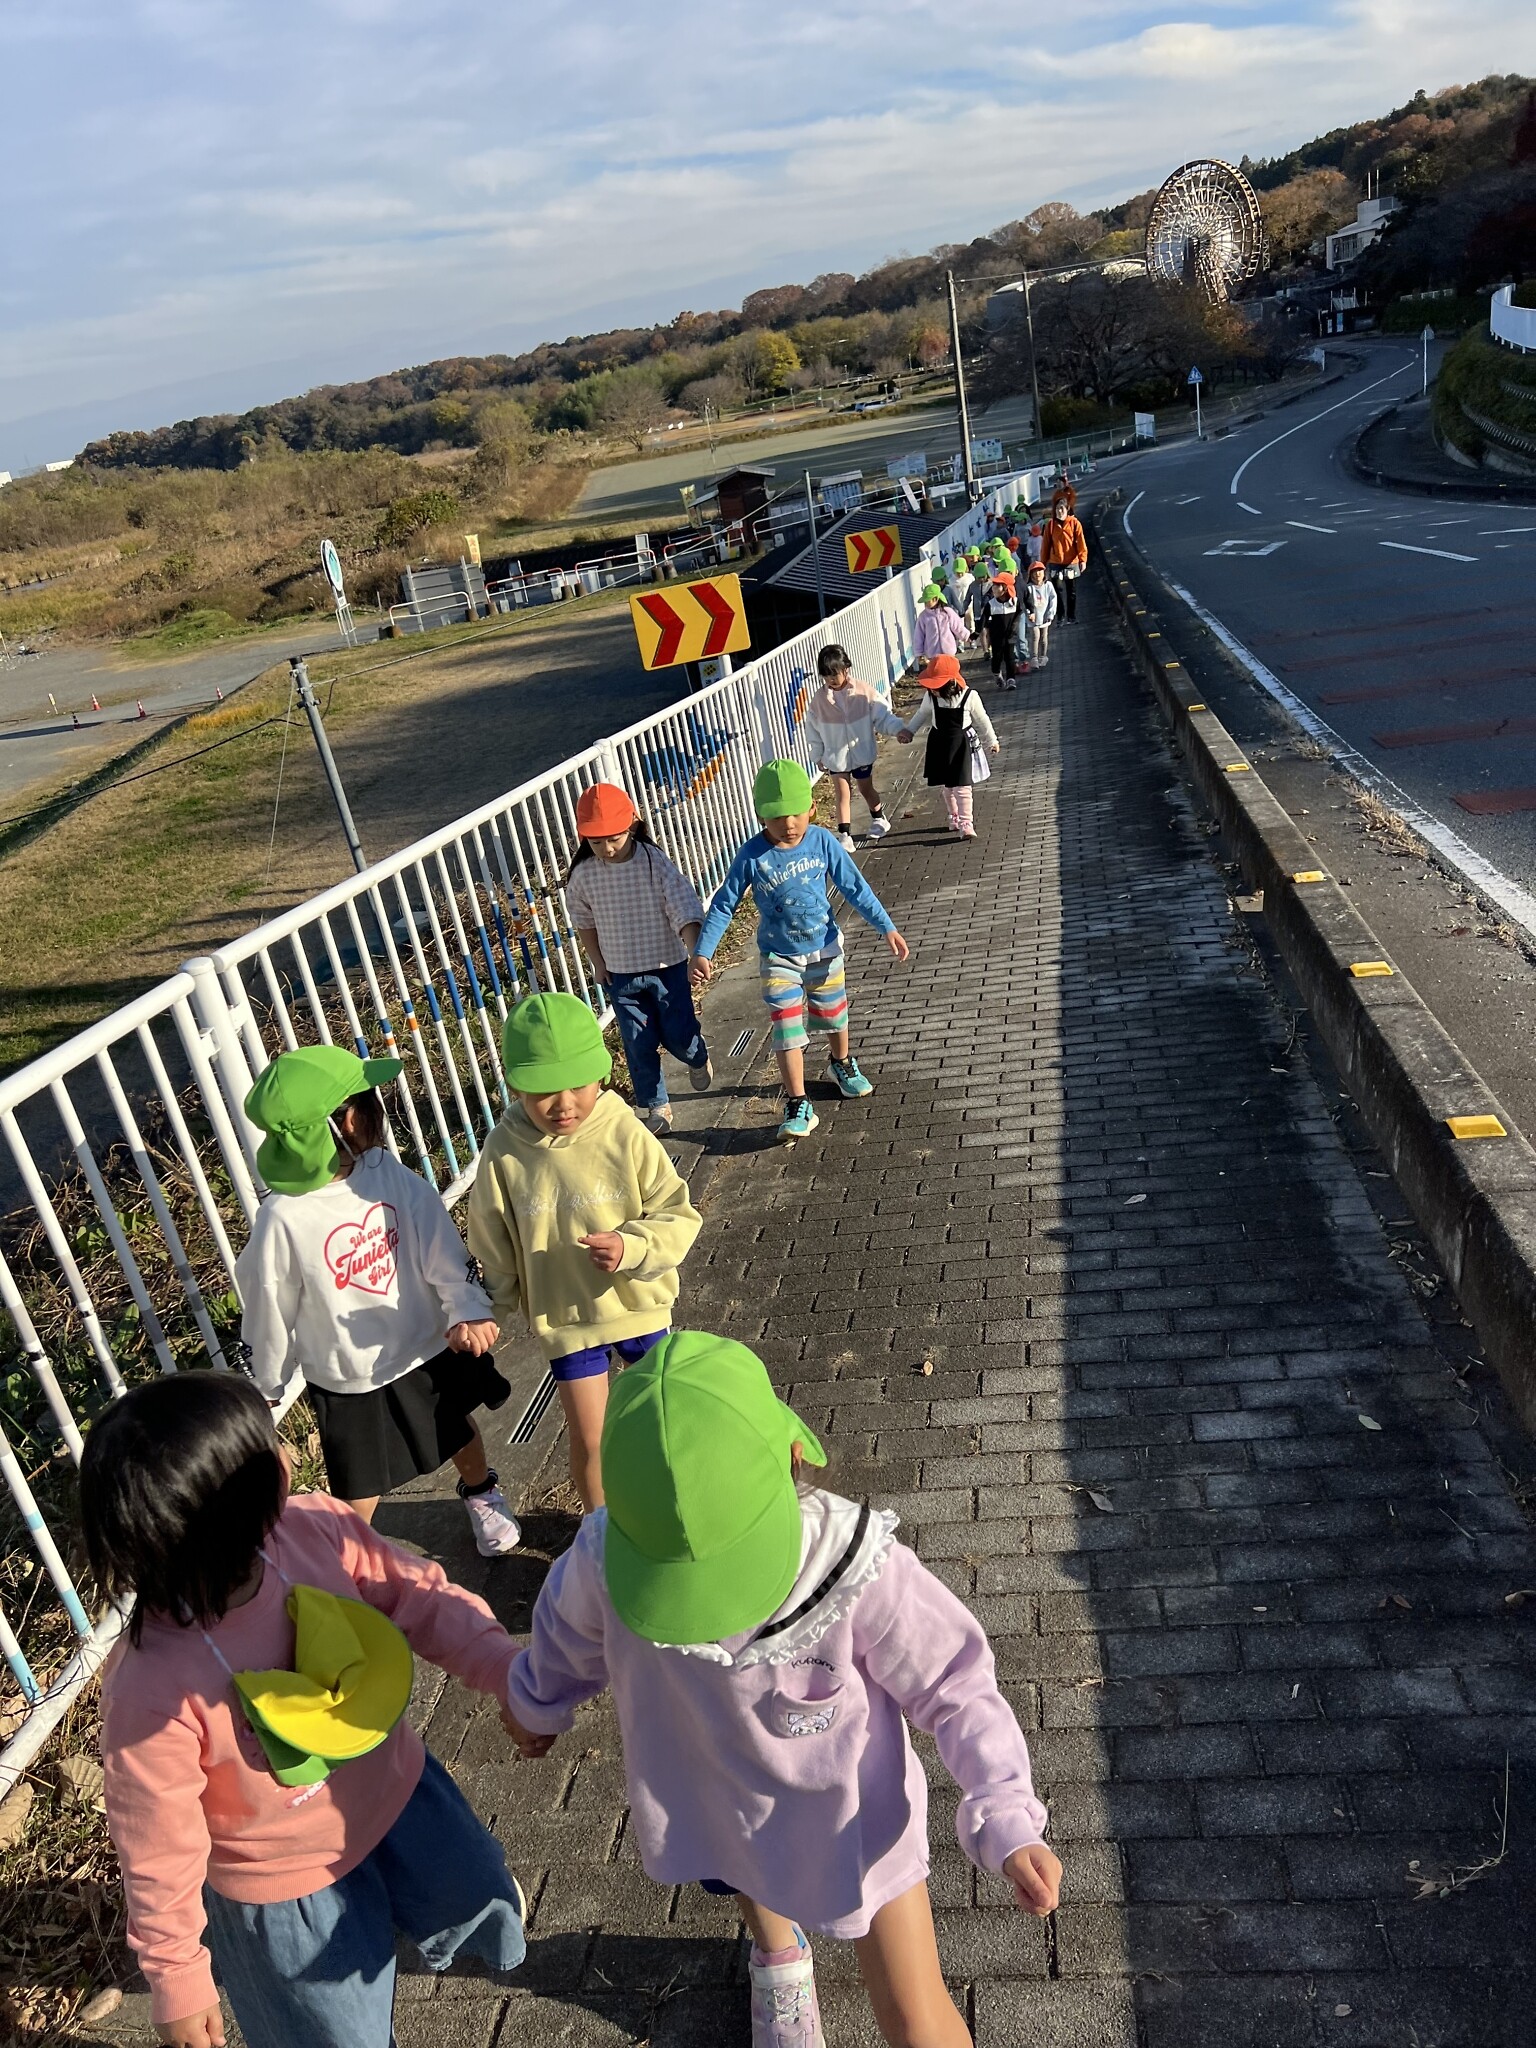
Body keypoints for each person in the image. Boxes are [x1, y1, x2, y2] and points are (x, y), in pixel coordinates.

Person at [500, 1332, 1062, 2048]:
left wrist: (1004, 1809)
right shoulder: (603, 1557)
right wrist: (537, 1701)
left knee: (917, 2014)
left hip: (855, 1826)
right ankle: (780, 1955)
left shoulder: (851, 1565)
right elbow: (563, 1636)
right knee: (746, 1876)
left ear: (797, 1458)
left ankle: (783, 1948)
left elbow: (955, 1681)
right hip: (722, 1803)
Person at [86, 1372, 528, 2048]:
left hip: (399, 1794)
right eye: (270, 1450)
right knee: (333, 2034)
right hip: (283, 1887)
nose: (289, 1453)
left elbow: (420, 1596)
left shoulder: (314, 1529)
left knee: (474, 1889)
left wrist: (505, 1671)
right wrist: (176, 1972)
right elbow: (156, 1843)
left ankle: (460, 1916)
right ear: (234, 1508)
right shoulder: (152, 1688)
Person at [236, 1046, 520, 1557]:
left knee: (455, 1428)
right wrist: (268, 1382)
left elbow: (436, 1239)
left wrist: (464, 1307)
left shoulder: (384, 1170)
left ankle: (481, 1491)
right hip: (349, 1371)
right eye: (370, 1098)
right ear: (345, 1121)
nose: (380, 1107)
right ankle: (353, 1553)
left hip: (424, 1341)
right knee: (359, 1478)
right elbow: (269, 1304)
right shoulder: (283, 1217)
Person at [467, 990, 701, 1512]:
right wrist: (488, 1310)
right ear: (514, 1085)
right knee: (591, 1440)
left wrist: (633, 1246)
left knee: (662, 1424)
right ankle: (600, 1533)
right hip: (567, 1319)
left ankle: (672, 1514)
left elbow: (678, 1213)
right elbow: (492, 1242)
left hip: (639, 1307)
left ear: (601, 1073)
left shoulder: (622, 1129)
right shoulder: (504, 1150)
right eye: (542, 1090)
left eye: (577, 1083)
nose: (564, 1103)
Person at [690, 759, 909, 1145]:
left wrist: (886, 926)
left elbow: (854, 886)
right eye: (776, 817)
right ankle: (797, 1102)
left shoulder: (822, 841)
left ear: (811, 807)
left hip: (824, 949)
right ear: (760, 815)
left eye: (795, 813)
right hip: (779, 958)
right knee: (787, 1027)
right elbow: (724, 903)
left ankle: (841, 1062)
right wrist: (703, 951)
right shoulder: (752, 855)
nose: (788, 824)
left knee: (834, 1015)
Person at [564, 782, 711, 1138]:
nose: (607, 848)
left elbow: (682, 905)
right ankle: (656, 1104)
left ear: (632, 823)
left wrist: (696, 951)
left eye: (614, 838)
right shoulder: (584, 875)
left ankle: (697, 1056)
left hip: (667, 967)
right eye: (596, 842)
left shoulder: (652, 861)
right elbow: (584, 922)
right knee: (637, 1043)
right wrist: (598, 963)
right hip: (621, 975)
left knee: (679, 1034)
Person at [804, 643, 906, 852]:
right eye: (826, 675)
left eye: (835, 674)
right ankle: (844, 835)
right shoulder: (819, 701)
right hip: (835, 755)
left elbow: (883, 715)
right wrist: (818, 755)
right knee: (842, 792)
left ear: (846, 669)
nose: (831, 679)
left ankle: (879, 818)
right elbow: (813, 731)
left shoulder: (862, 691)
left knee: (865, 788)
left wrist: (898, 729)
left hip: (861, 753)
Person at [898, 653, 1000, 840]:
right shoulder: (931, 697)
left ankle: (966, 822)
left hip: (962, 745)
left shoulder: (969, 696)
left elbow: (982, 719)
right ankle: (954, 816)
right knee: (948, 786)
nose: (932, 690)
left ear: (950, 683)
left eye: (935, 686)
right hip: (939, 743)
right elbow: (921, 714)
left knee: (963, 785)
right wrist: (909, 731)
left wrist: (992, 740)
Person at [1041, 497, 1088, 624]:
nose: (1059, 511)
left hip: (1071, 562)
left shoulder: (1075, 523)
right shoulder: (1050, 525)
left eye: (1061, 508)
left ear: (1067, 509)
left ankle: (1071, 616)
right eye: (1057, 508)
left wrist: (1082, 559)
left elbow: (1081, 543)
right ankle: (1060, 616)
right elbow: (1045, 545)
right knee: (1057, 590)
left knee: (1071, 591)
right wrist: (1043, 564)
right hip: (1055, 562)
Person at [1015, 559, 1057, 673]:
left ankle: (1043, 656)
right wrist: (1029, 613)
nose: (1037, 574)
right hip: (1033, 616)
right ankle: (1034, 657)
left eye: (1040, 571)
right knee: (1035, 636)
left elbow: (1053, 599)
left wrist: (1051, 613)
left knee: (1044, 636)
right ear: (1030, 575)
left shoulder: (1048, 585)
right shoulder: (1029, 587)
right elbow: (1025, 602)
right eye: (1034, 572)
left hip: (1045, 615)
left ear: (1044, 573)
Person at [980, 564, 1019, 685]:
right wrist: (976, 632)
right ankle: (997, 674)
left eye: (997, 586)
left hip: (1010, 636)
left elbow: (1019, 613)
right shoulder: (991, 604)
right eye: (993, 586)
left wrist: (1014, 627)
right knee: (996, 658)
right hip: (996, 637)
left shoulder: (1014, 602)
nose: (994, 589)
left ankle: (1011, 679)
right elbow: (983, 619)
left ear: (1005, 588)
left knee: (1010, 658)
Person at [911, 582, 966, 664]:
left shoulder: (947, 612)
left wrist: (966, 636)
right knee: (936, 671)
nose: (925, 604)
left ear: (935, 599)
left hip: (949, 652)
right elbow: (919, 636)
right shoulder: (923, 616)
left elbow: (957, 626)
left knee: (950, 670)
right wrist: (919, 653)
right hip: (932, 654)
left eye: (927, 601)